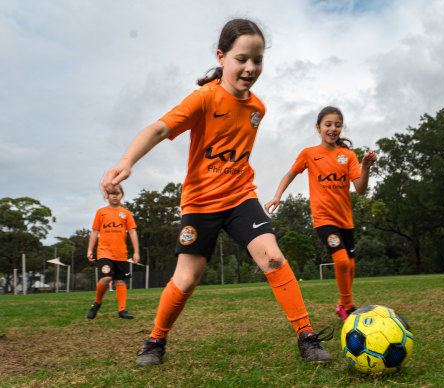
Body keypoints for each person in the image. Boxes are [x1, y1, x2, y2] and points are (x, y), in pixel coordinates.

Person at [99, 18, 333, 366]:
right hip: (200, 202)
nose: (250, 68)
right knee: (188, 277)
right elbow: (160, 128)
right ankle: (155, 341)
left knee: (272, 257)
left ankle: (307, 336)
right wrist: (127, 161)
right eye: (242, 59)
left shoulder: (258, 109)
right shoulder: (204, 99)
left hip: (241, 196)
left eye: (258, 60)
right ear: (222, 57)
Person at [264, 106, 377, 321]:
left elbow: (360, 189)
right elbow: (290, 174)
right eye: (328, 124)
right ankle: (348, 306)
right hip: (324, 220)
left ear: (341, 128)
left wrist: (365, 167)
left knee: (350, 265)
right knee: (342, 261)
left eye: (337, 125)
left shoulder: (348, 156)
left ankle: (343, 304)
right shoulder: (309, 154)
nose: (333, 128)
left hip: (346, 220)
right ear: (318, 128)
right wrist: (277, 195)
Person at [86, 183, 139, 319]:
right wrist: (90, 249)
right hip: (104, 252)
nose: (115, 196)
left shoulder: (126, 213)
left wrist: (136, 252)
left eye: (118, 193)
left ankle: (122, 310)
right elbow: (94, 232)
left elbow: (132, 232)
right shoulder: (101, 212)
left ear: (122, 195)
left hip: (121, 253)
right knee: (106, 277)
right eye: (112, 194)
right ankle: (97, 303)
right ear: (107, 195)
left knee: (120, 281)